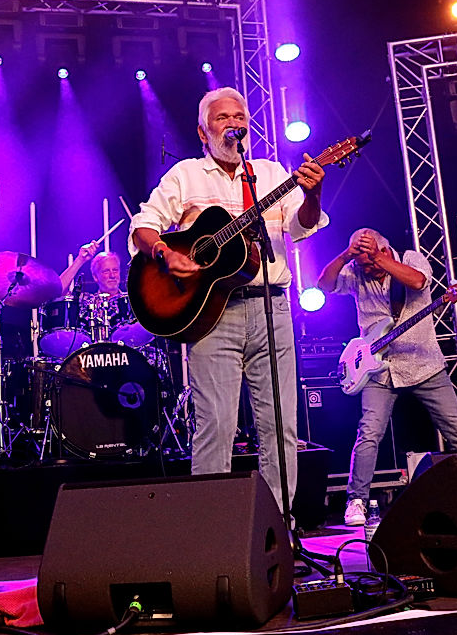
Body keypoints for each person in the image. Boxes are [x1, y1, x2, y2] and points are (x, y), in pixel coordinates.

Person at [129, 86, 327, 509]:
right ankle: (212, 532)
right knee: (216, 425)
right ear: (203, 132)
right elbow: (143, 228)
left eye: (240, 116)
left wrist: (312, 194)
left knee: (280, 425)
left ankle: (279, 526)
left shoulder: (271, 175)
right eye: (223, 117)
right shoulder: (185, 175)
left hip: (272, 308)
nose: (234, 123)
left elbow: (301, 226)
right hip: (212, 313)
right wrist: (166, 254)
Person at [318, 228, 457, 526]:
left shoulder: (411, 258)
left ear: (384, 250)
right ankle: (356, 501)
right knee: (369, 433)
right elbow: (324, 285)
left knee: (456, 429)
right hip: (379, 368)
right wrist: (345, 256)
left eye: (372, 262)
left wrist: (377, 257)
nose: (368, 269)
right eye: (363, 264)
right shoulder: (354, 270)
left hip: (424, 363)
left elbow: (417, 281)